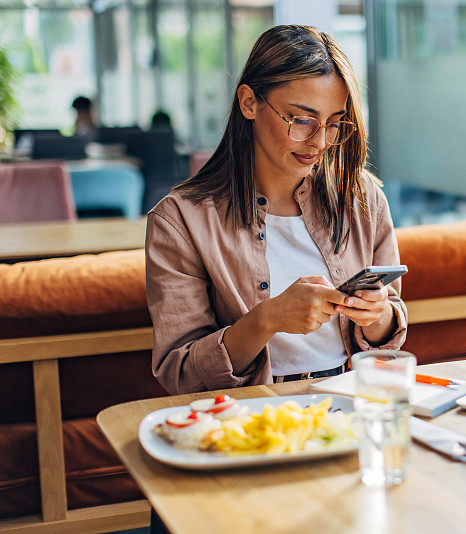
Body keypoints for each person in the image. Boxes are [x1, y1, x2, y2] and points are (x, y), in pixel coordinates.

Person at [145, 25, 407, 395]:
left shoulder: (362, 199)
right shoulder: (180, 222)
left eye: (334, 123)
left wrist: (377, 316)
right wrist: (266, 320)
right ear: (249, 102)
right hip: (250, 419)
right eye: (301, 120)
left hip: (353, 402)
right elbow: (182, 373)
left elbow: (390, 333)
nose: (319, 142)